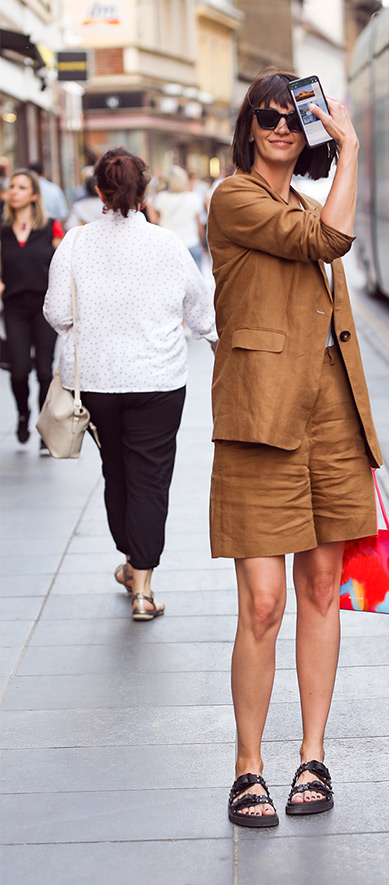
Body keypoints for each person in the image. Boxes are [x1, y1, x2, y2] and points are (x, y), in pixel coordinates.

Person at [208, 67, 383, 828]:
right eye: (268, 116)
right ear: (249, 127)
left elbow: (330, 289)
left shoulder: (306, 200)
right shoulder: (234, 198)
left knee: (320, 591)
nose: (281, 127)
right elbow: (332, 239)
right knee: (265, 602)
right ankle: (249, 763)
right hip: (259, 424)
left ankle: (312, 755)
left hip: (330, 423)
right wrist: (352, 150)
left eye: (292, 117)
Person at [44, 147, 217, 620]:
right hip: (158, 380)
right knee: (151, 479)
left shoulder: (75, 243)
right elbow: (201, 313)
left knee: (117, 471)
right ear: (146, 191)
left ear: (98, 191)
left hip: (95, 381)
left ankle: (129, 559)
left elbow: (57, 313)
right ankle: (142, 585)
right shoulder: (166, 245)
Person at [0, 168, 64, 452]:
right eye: (12, 186)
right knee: (18, 370)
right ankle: (23, 414)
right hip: (13, 306)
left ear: (35, 195)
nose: (14, 191)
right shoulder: (2, 230)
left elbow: (63, 265)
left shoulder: (50, 227)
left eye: (22, 187)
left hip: (44, 307)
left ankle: (43, 427)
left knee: (44, 371)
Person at [151, 165, 205, 267]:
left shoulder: (161, 198)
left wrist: (149, 205)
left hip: (169, 247)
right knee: (196, 280)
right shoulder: (193, 197)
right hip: (192, 243)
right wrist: (202, 244)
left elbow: (155, 221)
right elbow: (199, 225)